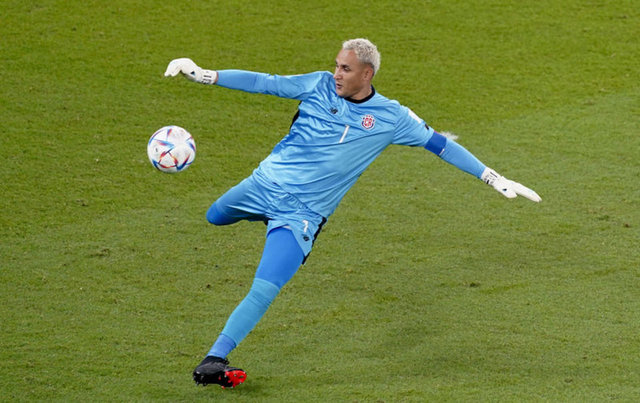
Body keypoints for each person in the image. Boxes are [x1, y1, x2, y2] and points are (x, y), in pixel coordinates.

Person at [164, 38, 541, 388]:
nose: (337, 74)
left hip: (302, 215)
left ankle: (215, 358)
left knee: (265, 288)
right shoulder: (318, 85)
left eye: (345, 69)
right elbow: (266, 82)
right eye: (336, 66)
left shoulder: (391, 117)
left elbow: (440, 145)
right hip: (261, 186)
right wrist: (204, 74)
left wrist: (492, 177)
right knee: (214, 216)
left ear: (367, 74)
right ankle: (265, 217)